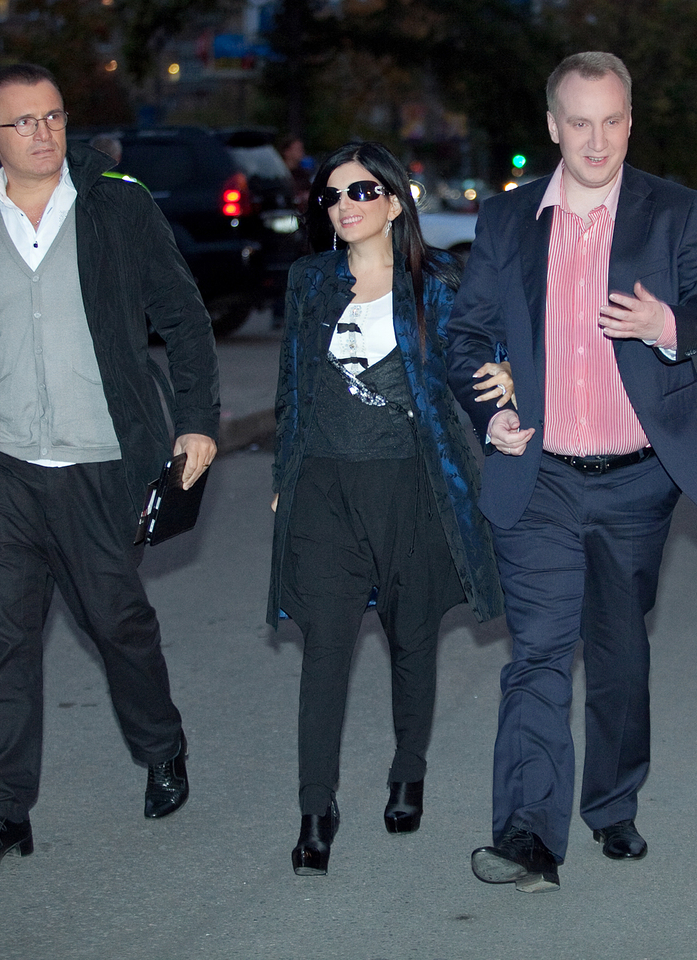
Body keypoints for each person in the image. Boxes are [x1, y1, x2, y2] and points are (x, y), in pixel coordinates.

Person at [0, 63, 220, 868]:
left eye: (53, 116)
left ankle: (162, 746)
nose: (43, 133)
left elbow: (184, 318)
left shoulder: (117, 205)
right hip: (4, 472)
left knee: (118, 625)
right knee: (3, 649)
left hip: (100, 466)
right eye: (23, 122)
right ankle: (1, 811)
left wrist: (196, 421)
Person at [447, 51, 697, 892]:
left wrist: (665, 324)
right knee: (539, 652)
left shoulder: (673, 211)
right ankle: (527, 835)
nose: (598, 139)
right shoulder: (508, 220)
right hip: (538, 474)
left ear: (630, 121)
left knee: (617, 650)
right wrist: (491, 413)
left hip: (637, 478)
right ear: (553, 126)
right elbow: (466, 337)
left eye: (613, 120)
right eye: (580, 122)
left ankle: (612, 804)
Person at [268, 141, 510, 876]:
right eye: (333, 195)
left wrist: (502, 373)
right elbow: (291, 387)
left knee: (412, 638)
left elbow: (479, 356)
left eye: (362, 192)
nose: (345, 206)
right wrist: (285, 474)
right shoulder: (310, 281)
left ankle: (409, 769)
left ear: (396, 202)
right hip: (324, 489)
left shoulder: (435, 283)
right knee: (325, 648)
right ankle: (316, 811)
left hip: (412, 486)